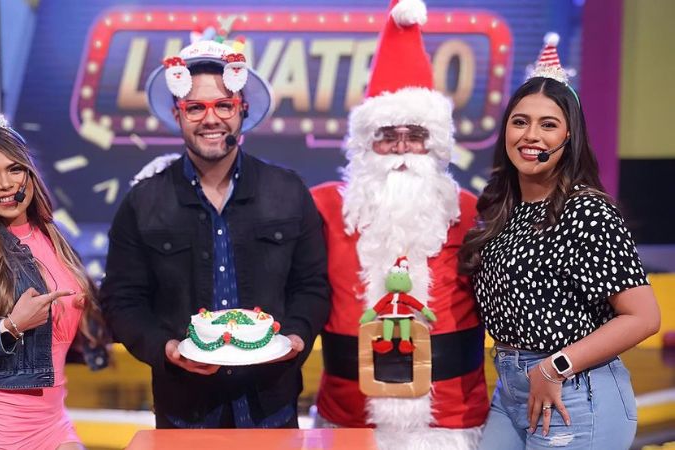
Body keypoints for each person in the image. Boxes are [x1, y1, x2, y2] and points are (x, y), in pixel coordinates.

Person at [100, 35, 330, 428]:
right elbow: (122, 300)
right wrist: (166, 348)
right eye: (195, 107)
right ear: (177, 115)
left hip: (272, 409)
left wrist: (296, 336)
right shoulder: (143, 201)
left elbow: (313, 287)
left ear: (242, 111)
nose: (211, 119)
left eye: (224, 105)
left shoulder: (288, 191)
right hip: (184, 413)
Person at [458, 33, 661, 450]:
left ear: (570, 138)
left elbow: (643, 317)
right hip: (512, 390)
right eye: (520, 122)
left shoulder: (586, 211)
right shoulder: (504, 210)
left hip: (574, 392)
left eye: (548, 125)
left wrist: (555, 366)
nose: (531, 135)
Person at [310, 1, 488, 449]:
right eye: (387, 136)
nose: (402, 149)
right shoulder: (325, 208)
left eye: (416, 135)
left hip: (451, 425)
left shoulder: (470, 212)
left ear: (436, 144)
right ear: (365, 145)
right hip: (349, 420)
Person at [0, 89, 108, 449]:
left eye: (15, 169)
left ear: (30, 173)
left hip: (53, 422)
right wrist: (10, 326)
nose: (6, 184)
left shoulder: (53, 236)